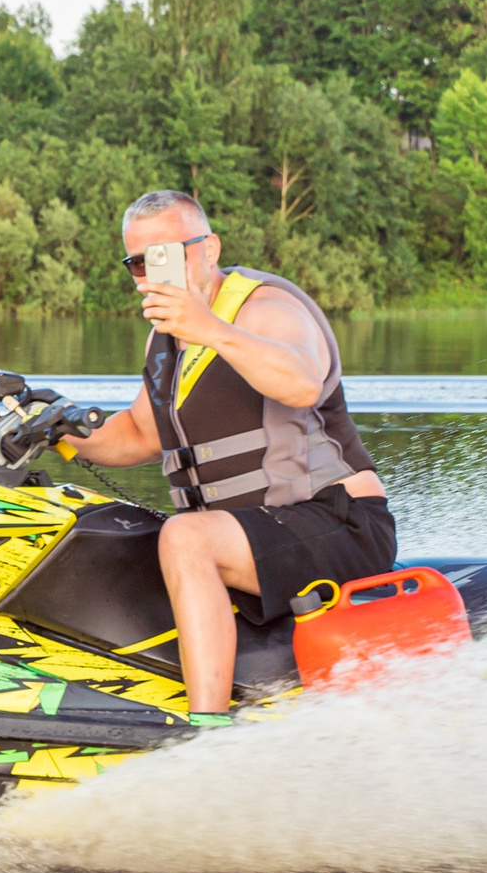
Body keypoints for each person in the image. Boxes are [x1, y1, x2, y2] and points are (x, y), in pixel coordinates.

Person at [67, 190, 396, 718]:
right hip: (253, 534)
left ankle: (207, 731)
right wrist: (52, 425)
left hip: (340, 522)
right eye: (138, 263)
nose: (153, 274)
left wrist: (212, 329)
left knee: (185, 537)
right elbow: (137, 435)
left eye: (168, 254)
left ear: (210, 249)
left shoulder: (266, 307)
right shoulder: (164, 342)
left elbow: (302, 381)